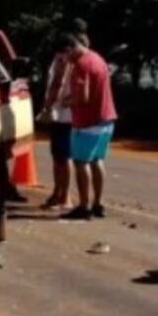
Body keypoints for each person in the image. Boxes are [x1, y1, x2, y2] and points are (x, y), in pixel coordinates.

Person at [58, 30, 118, 220]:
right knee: (97, 161)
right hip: (106, 119)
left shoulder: (81, 65)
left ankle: (84, 207)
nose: (65, 60)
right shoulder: (97, 58)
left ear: (70, 49)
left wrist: (66, 102)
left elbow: (83, 97)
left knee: (80, 163)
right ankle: (97, 203)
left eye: (64, 55)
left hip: (88, 122)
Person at [40, 28, 90, 210]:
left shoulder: (70, 63)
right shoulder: (58, 60)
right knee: (57, 157)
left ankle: (65, 196)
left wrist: (48, 107)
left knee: (64, 157)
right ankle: (57, 191)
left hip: (66, 116)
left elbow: (58, 85)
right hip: (57, 114)